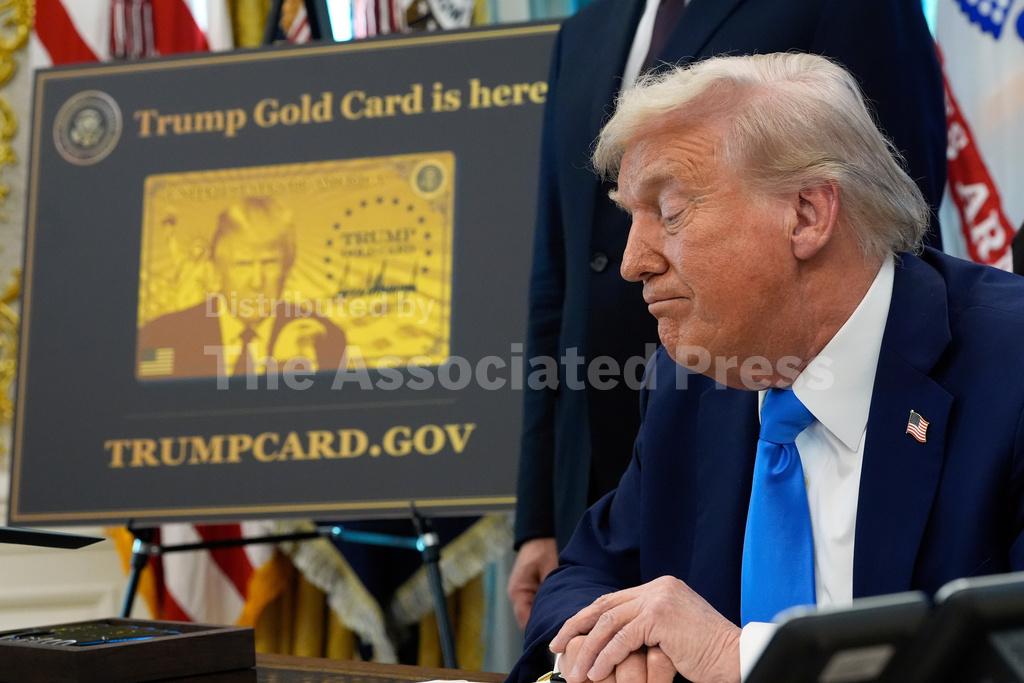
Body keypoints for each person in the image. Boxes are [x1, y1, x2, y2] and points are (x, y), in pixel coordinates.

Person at [508, 52, 1024, 683]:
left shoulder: (1009, 367)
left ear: (807, 214)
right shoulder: (689, 383)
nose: (632, 262)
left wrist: (742, 659)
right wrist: (616, 648)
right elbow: (586, 574)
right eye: (631, 219)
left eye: (670, 213)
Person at [137, 196, 346, 379]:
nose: (256, 282)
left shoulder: (326, 339)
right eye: (243, 264)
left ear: (288, 268)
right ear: (217, 269)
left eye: (269, 263)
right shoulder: (161, 337)